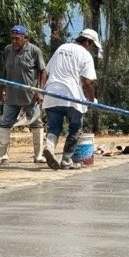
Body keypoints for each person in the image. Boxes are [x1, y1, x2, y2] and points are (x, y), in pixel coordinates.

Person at [0, 25, 47, 165]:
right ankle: (2, 156)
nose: (14, 41)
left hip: (30, 96)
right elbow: (4, 71)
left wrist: (39, 91)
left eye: (17, 39)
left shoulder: (34, 51)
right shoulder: (7, 50)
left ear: (25, 38)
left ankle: (38, 155)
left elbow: (43, 71)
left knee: (36, 123)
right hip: (11, 95)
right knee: (4, 123)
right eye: (12, 38)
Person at [42, 28, 100, 169]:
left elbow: (45, 71)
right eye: (92, 45)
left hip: (52, 94)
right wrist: (91, 100)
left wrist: (41, 91)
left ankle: (49, 146)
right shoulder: (85, 55)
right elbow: (88, 82)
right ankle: (66, 160)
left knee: (54, 127)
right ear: (88, 42)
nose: (91, 49)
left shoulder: (61, 48)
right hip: (72, 97)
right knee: (75, 128)